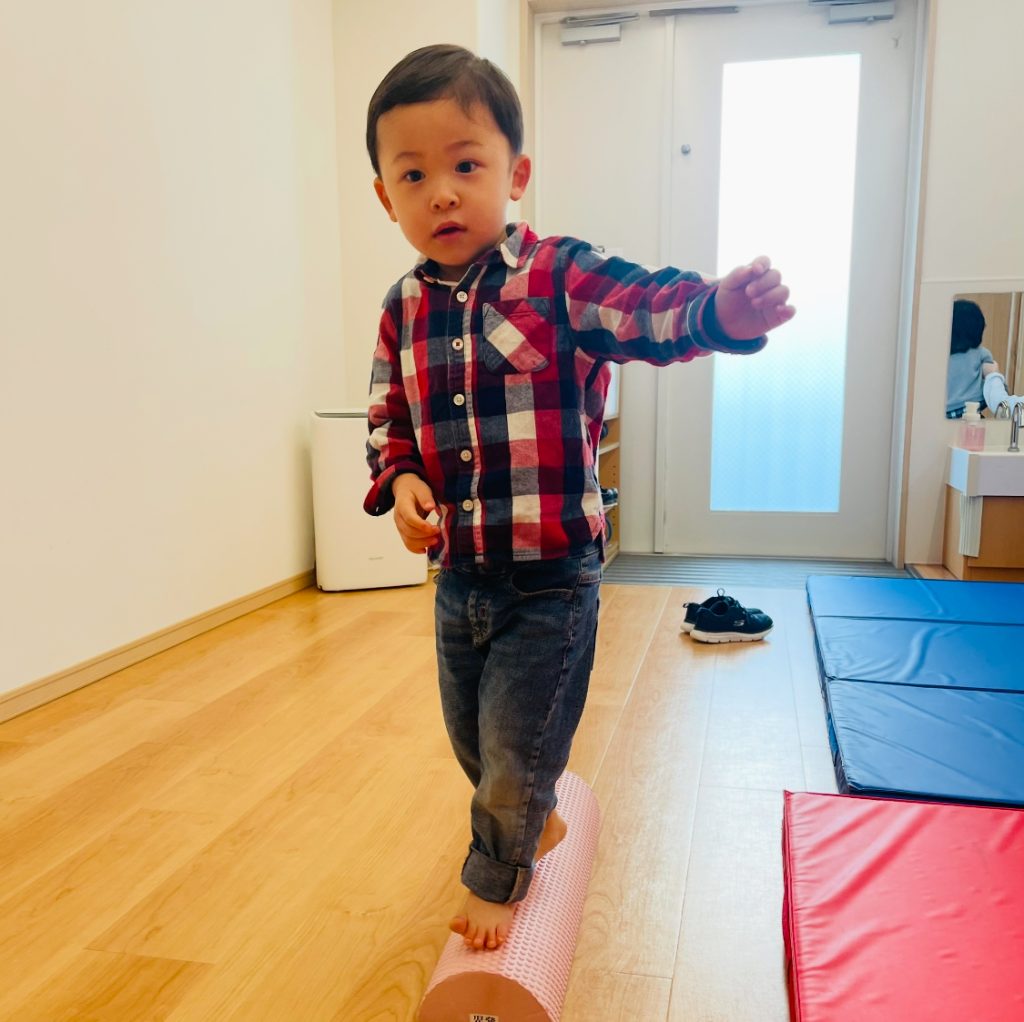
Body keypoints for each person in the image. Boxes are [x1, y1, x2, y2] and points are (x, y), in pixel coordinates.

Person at [362, 44, 794, 952]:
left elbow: (647, 307)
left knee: (518, 745)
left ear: (515, 175)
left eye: (466, 166)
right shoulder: (401, 308)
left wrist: (720, 311)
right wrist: (402, 481)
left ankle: (496, 879)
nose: (442, 194)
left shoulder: (556, 274)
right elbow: (388, 416)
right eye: (414, 175)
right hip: (460, 576)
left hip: (551, 576)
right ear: (385, 196)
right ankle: (531, 817)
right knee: (473, 739)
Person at [946, 298, 998, 418]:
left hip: (944, 411)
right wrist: (994, 372)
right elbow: (995, 386)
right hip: (972, 409)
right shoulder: (982, 354)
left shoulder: (938, 355)